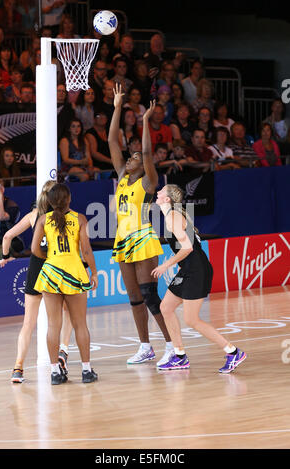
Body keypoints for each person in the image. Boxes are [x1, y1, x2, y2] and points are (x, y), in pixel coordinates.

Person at [108, 83, 174, 366]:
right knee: (134, 298)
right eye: (131, 156)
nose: (133, 157)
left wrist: (145, 121)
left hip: (143, 239)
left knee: (150, 296)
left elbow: (147, 154)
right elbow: (112, 142)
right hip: (122, 241)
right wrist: (116, 109)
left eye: (135, 157)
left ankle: (173, 346)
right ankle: (145, 346)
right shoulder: (123, 175)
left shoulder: (147, 182)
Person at [152, 183, 247, 373]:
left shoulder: (172, 216)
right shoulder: (172, 215)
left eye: (161, 191)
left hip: (196, 269)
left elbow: (187, 248)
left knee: (192, 320)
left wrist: (165, 265)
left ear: (167, 199)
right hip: (188, 268)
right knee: (166, 307)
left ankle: (233, 351)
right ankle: (179, 356)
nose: (157, 192)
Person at [0, 180, 73, 383]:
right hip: (55, 271)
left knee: (28, 324)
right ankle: (62, 352)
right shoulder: (67, 217)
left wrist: (5, 257)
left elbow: (7, 237)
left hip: (35, 270)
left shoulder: (34, 216)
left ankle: (18, 368)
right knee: (63, 316)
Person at [32, 183, 98, 385]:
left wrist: (51, 259)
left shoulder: (43, 219)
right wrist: (93, 273)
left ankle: (54, 373)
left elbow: (34, 249)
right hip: (74, 271)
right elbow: (86, 251)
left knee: (53, 325)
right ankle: (86, 371)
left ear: (50, 201)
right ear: (69, 199)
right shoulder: (79, 219)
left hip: (51, 271)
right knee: (80, 325)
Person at [0, 176, 21, 260]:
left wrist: (0, 196)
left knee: (1, 252)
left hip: (9, 239)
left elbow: (0, 217)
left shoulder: (11, 205)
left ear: (2, 189)